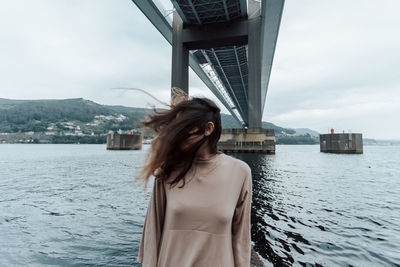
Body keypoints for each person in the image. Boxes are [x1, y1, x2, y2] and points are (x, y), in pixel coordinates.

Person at [135, 97, 252, 267]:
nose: (176, 134)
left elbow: (241, 240)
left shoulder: (240, 172)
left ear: (208, 128)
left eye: (183, 127)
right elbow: (153, 233)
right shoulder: (168, 172)